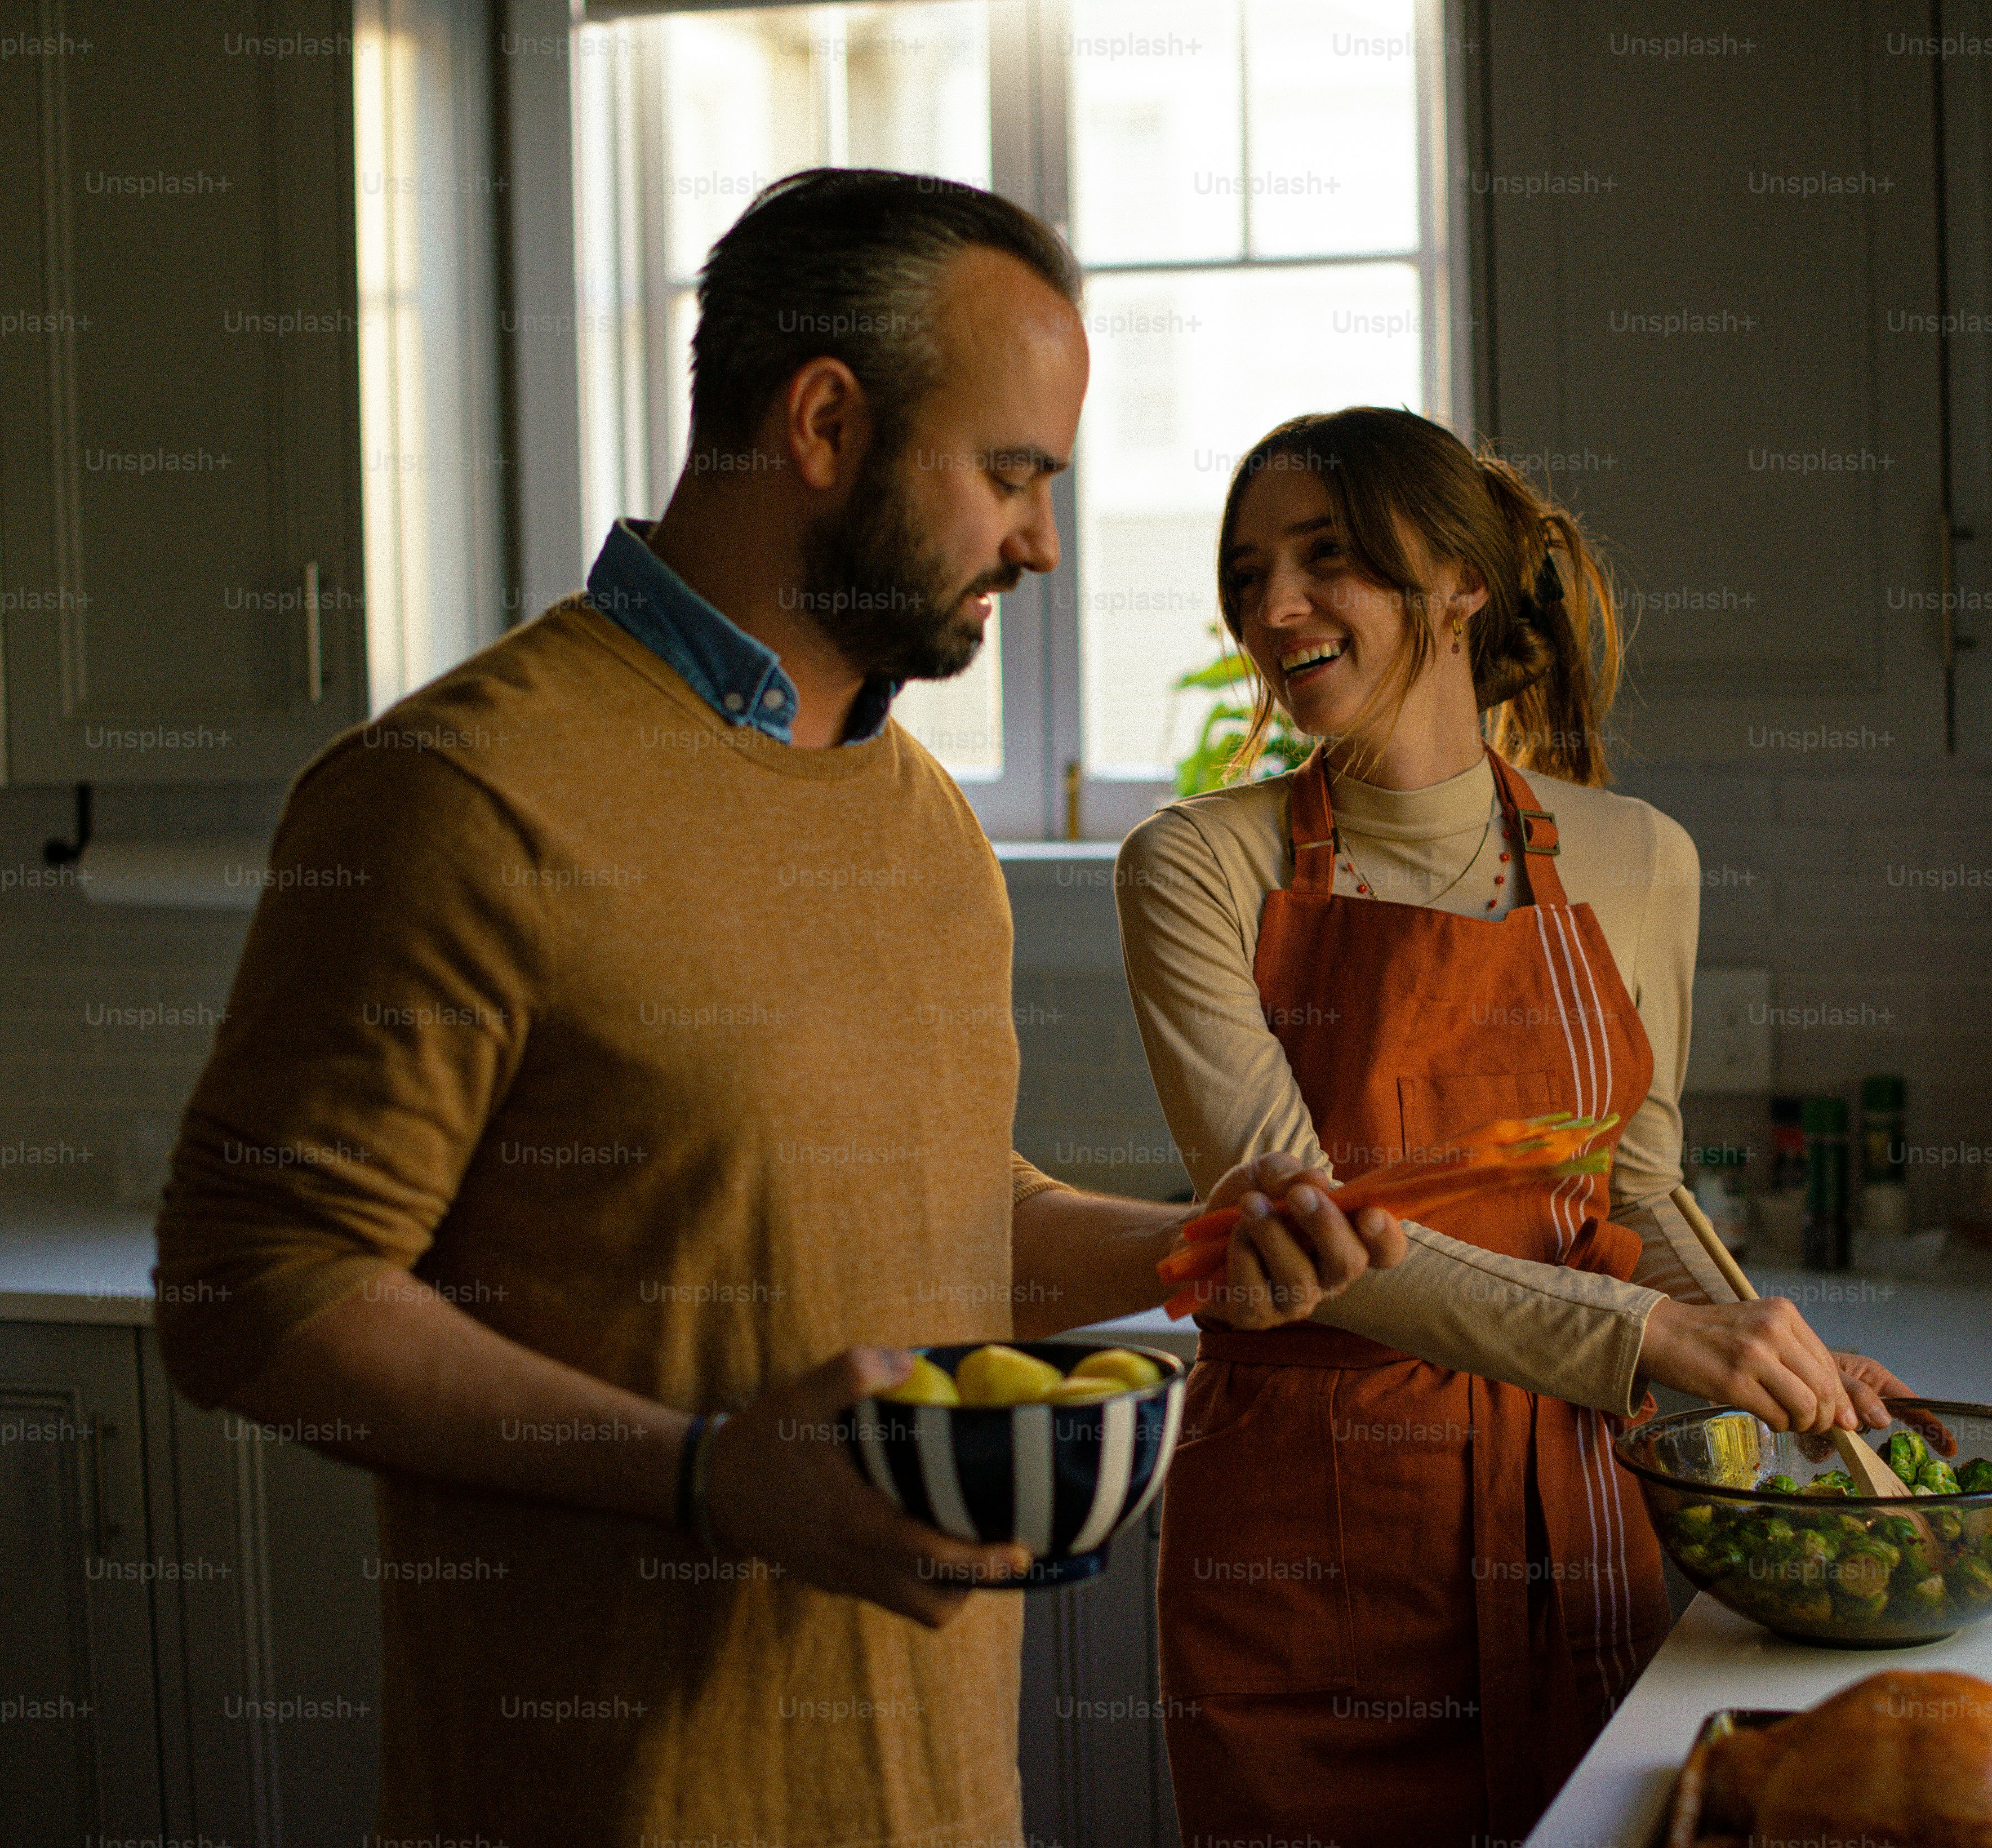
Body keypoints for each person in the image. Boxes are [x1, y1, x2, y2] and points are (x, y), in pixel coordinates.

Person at [150, 172, 1404, 1848]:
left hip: (944, 1803)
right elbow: (247, 1287)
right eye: (1011, 475)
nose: (1040, 541)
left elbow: (927, 1214)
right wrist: (702, 1468)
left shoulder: (922, 822)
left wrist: (1192, 1247)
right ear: (822, 422)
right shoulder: (457, 793)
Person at [1113, 407, 1916, 1848]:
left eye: (1326, 557)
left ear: (1458, 583)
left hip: (1572, 1526)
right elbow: (1307, 1232)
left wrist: (1760, 1338)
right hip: (1308, 1561)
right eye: (1248, 571)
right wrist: (1658, 1340)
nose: (1273, 607)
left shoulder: (1634, 856)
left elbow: (1644, 1187)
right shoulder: (1196, 865)